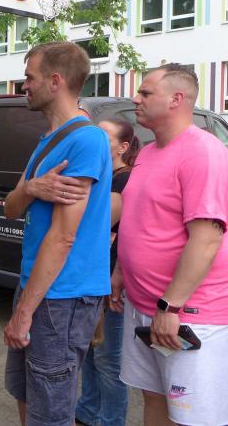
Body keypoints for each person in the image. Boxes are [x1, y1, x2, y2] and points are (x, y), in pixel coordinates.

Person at [2, 41, 112, 426]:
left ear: (55, 81)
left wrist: (24, 313)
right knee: (26, 392)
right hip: (37, 287)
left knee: (50, 410)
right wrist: (32, 188)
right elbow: (11, 207)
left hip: (61, 297)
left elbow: (64, 237)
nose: (24, 86)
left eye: (29, 77)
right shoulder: (49, 139)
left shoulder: (86, 139)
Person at [111, 63, 228, 426]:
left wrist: (171, 306)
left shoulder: (203, 152)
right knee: (154, 399)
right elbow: (139, 218)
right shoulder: (147, 153)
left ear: (177, 99)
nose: (136, 99)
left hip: (187, 314)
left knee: (191, 417)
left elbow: (207, 238)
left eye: (146, 93)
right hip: (144, 307)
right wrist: (120, 273)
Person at [75, 118, 141, 426]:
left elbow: (100, 221)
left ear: (123, 147)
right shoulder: (106, 176)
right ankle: (88, 411)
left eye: (104, 135)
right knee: (92, 349)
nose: (95, 138)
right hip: (95, 276)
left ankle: (110, 420)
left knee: (108, 357)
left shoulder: (124, 179)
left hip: (112, 279)